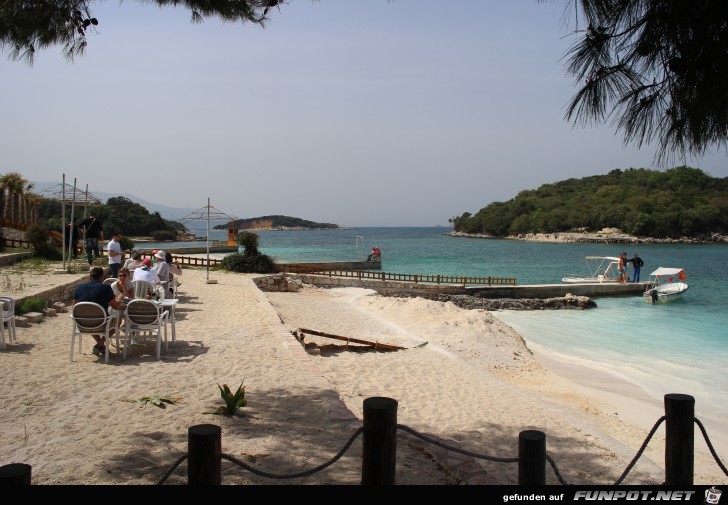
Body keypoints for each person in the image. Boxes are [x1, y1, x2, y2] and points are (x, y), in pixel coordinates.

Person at [72, 266, 126, 356]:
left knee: (89, 316)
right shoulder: (106, 288)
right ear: (102, 277)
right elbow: (115, 307)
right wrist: (121, 301)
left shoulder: (80, 288)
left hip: (82, 324)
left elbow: (74, 307)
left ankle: (100, 344)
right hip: (100, 324)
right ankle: (100, 343)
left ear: (90, 277)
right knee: (118, 320)